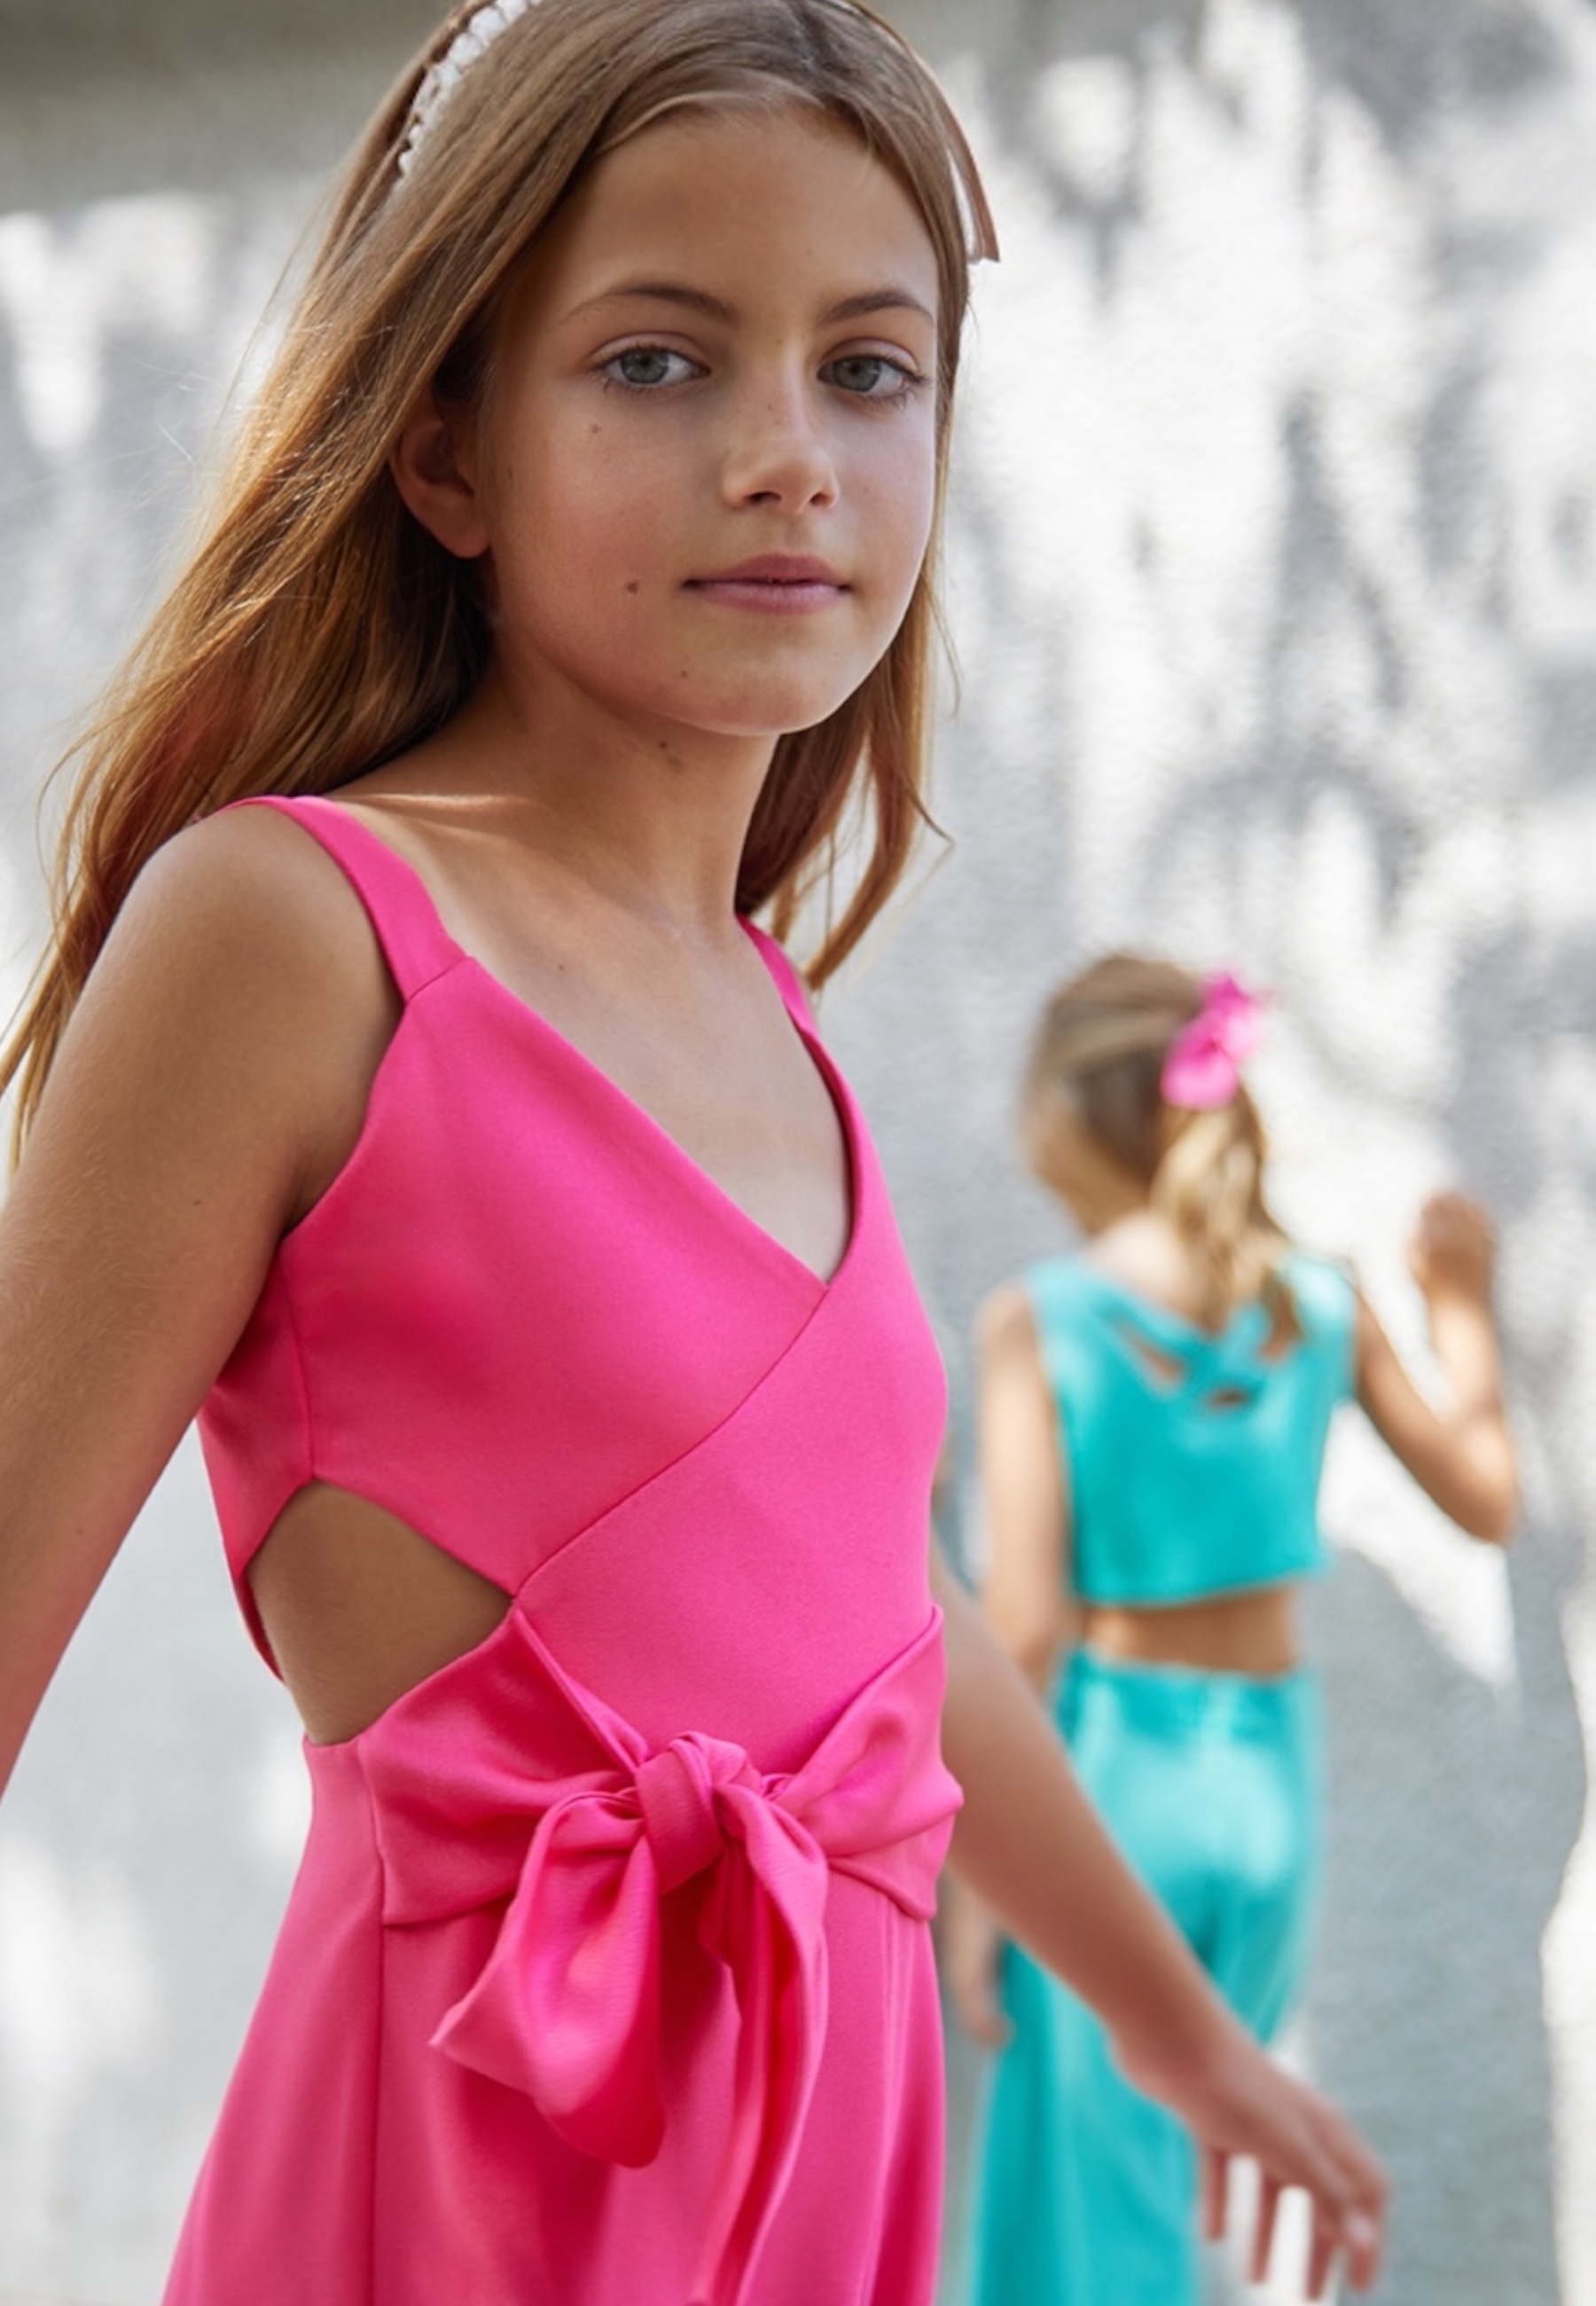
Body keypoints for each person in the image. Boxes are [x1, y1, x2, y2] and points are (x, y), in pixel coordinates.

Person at [0, 7, 1386, 2301]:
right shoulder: (289, 932)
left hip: (836, 2188)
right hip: (466, 2200)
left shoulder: (775, 1014)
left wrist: (1176, 2034)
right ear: (447, 451)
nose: (785, 458)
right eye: (657, 363)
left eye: (869, 369)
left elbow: (884, 1622)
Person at [947, 953, 1518, 2305]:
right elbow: (1486, 1498)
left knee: (1092, 2203)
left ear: (1071, 1120)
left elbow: (1023, 1627)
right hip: (1272, 1793)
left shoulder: (1040, 1322)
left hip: (1111, 1786)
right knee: (1177, 2173)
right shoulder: (1319, 1302)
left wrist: (978, 1890)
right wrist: (1461, 1307)